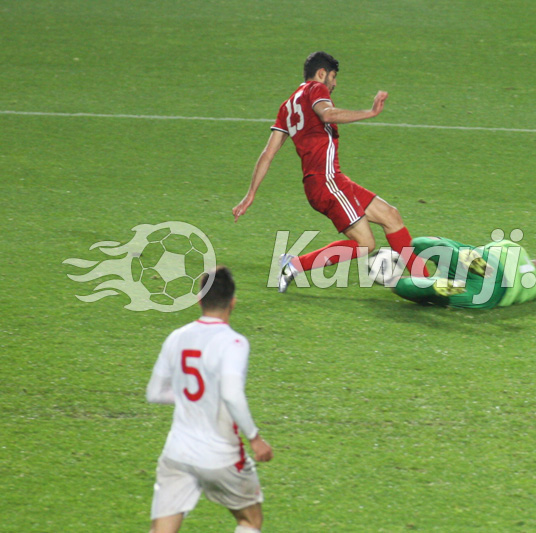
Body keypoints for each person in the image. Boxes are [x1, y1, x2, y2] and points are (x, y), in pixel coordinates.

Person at [232, 50, 429, 292]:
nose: (334, 84)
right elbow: (327, 113)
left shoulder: (287, 106)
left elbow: (268, 154)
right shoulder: (316, 90)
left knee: (391, 215)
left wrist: (251, 193)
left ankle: (425, 280)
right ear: (321, 73)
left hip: (328, 181)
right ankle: (293, 265)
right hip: (326, 182)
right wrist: (371, 112)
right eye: (333, 77)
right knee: (365, 244)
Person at [146, 266, 272, 533]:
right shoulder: (233, 343)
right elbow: (231, 394)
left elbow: (155, 393)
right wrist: (255, 438)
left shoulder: (176, 337)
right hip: (220, 455)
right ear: (233, 302)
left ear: (199, 299)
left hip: (176, 453)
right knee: (250, 520)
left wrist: (193, 398)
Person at [391, 236, 536, 309]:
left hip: (491, 264)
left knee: (423, 244)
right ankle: (430, 286)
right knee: (431, 293)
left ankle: (462, 258)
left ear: (534, 261)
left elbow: (487, 247)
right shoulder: (532, 290)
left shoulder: (517, 249)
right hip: (490, 295)